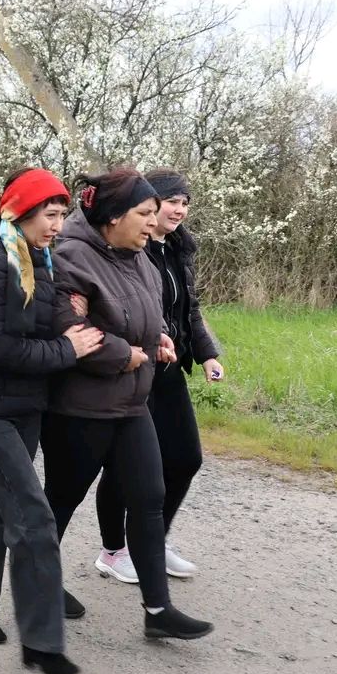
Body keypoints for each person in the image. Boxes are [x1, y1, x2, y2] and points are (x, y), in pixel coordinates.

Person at [40, 167, 213, 640]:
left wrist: (156, 337)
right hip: (81, 408)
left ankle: (158, 613)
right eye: (145, 213)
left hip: (132, 401)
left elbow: (145, 312)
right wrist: (128, 353)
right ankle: (39, 585)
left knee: (150, 497)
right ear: (113, 217)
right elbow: (72, 333)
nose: (153, 223)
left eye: (156, 213)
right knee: (60, 501)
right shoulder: (71, 257)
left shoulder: (137, 255)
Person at [0, 168, 102, 674]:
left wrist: (91, 331)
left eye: (62, 215)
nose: (58, 225)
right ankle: (41, 641)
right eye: (50, 215)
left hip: (25, 408)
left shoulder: (40, 258)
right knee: (33, 518)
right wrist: (67, 349)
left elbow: (55, 315)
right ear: (20, 212)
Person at [90, 168, 224, 583]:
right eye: (172, 202)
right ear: (148, 205)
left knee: (185, 458)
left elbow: (191, 308)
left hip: (168, 370)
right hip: (132, 368)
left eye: (186, 203)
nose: (179, 210)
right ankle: (114, 551)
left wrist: (206, 354)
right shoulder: (133, 247)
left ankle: (152, 541)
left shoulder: (178, 249)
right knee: (122, 465)